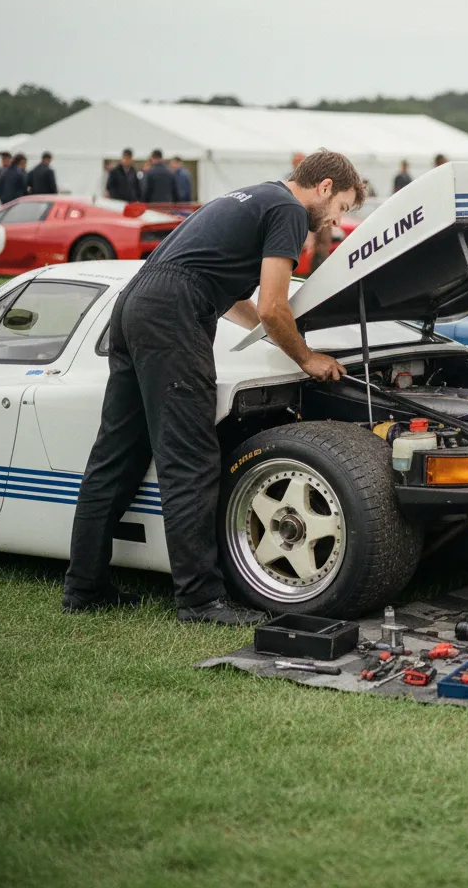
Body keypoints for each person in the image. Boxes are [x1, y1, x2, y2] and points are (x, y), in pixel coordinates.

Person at [62, 150, 365, 623]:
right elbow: (272, 304)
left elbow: (239, 298)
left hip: (136, 304)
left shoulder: (257, 195)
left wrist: (265, 334)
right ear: (325, 187)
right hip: (173, 313)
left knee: (116, 457)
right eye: (343, 207)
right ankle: (200, 600)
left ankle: (84, 588)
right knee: (190, 461)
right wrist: (305, 357)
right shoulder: (289, 211)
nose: (334, 220)